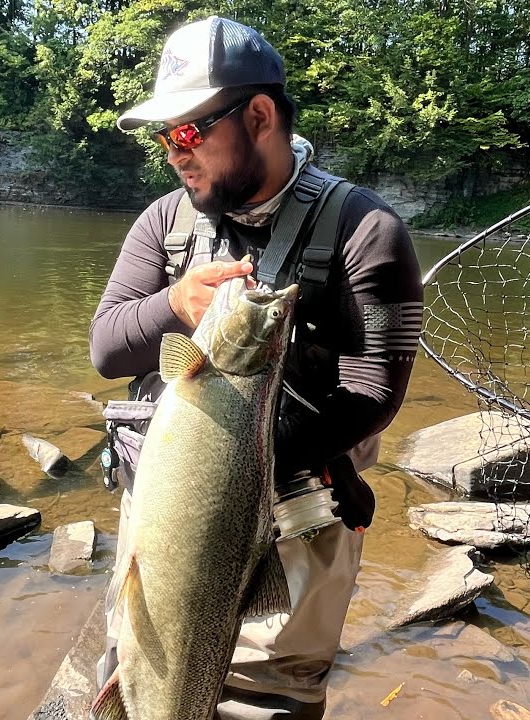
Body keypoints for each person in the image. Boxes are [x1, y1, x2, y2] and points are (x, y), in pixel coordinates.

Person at [88, 16, 422, 719]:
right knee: (141, 677)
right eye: (163, 137)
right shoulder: (164, 224)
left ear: (260, 115)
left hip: (300, 526)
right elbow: (107, 349)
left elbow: (374, 396)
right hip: (168, 513)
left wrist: (233, 469)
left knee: (264, 704)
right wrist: (174, 304)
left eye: (187, 133)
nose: (173, 155)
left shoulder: (370, 232)